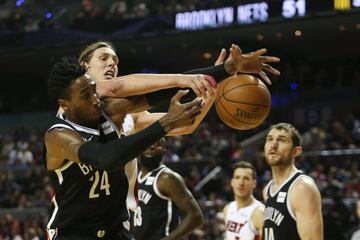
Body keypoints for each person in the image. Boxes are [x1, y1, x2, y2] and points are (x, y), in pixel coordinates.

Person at [44, 57, 204, 240]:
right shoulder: (57, 137)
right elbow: (106, 158)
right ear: (65, 104)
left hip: (115, 232)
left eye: (94, 91)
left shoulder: (108, 111)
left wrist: (223, 71)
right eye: (85, 95)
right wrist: (166, 123)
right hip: (73, 234)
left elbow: (158, 95)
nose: (95, 100)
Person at [130, 138, 203, 240]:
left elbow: (195, 217)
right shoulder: (133, 176)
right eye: (148, 143)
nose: (151, 147)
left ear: (165, 150)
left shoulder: (167, 178)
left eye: (158, 145)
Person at [262, 123, 323, 240]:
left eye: (281, 140)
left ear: (296, 151)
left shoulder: (302, 188)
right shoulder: (267, 189)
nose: (273, 144)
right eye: (270, 139)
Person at [223, 161, 265, 240]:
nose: (241, 183)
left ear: (254, 183)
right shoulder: (227, 208)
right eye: (237, 177)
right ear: (232, 182)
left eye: (246, 179)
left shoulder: (259, 212)